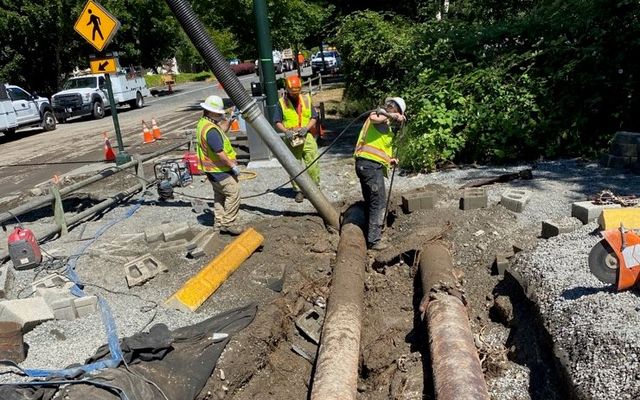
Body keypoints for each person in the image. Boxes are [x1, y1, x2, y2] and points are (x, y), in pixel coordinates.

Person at [354, 97, 407, 250]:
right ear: (396, 110)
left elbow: (375, 148)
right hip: (370, 167)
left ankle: (369, 230)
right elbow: (373, 116)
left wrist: (390, 160)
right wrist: (393, 116)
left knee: (371, 200)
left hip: (367, 165)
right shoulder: (379, 116)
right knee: (378, 202)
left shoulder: (385, 123)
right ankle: (374, 240)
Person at [196, 95, 243, 235]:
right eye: (218, 113)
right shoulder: (211, 130)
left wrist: (231, 119)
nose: (220, 115)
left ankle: (219, 223)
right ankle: (228, 223)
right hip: (219, 169)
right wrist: (232, 165)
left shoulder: (204, 123)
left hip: (211, 170)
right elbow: (219, 152)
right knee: (234, 192)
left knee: (220, 196)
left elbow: (221, 131)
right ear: (211, 112)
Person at [274, 75, 320, 203]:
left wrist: (307, 128)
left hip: (306, 135)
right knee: (294, 164)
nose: (295, 95)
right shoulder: (282, 103)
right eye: (292, 92)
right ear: (287, 89)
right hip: (292, 138)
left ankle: (314, 187)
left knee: (313, 161)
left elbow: (314, 117)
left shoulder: (305, 99)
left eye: (297, 92)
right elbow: (277, 121)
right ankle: (298, 190)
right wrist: (286, 131)